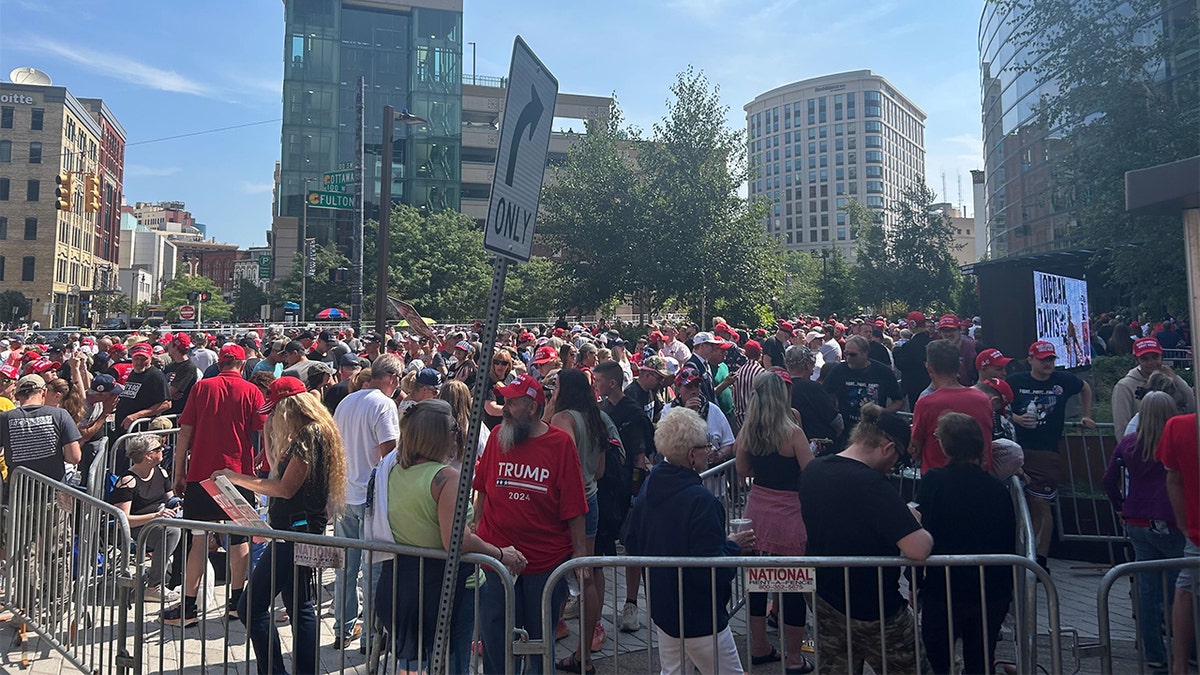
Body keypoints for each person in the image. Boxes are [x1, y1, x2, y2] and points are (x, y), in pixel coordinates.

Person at [368, 399, 526, 672]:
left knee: (411, 665)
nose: (458, 433)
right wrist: (502, 554)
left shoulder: (391, 470)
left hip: (402, 583)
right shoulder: (445, 477)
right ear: (438, 434)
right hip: (445, 589)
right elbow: (456, 540)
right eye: (453, 427)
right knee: (453, 664)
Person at [216, 381, 346, 675]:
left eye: (275, 410)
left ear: (289, 407)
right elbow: (277, 472)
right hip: (297, 528)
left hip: (294, 531)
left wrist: (234, 477)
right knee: (299, 605)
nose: (271, 416)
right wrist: (268, 436)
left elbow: (284, 488)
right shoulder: (312, 432)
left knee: (253, 606)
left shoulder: (310, 436)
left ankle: (275, 670)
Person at [799, 403, 932, 674]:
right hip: (874, 607)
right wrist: (915, 523)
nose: (894, 466)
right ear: (888, 448)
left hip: (825, 597)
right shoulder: (872, 485)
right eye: (898, 458)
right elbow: (918, 548)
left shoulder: (814, 470)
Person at [625, 406, 755, 675]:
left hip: (664, 607)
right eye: (705, 445)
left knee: (673, 671)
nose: (710, 450)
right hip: (699, 614)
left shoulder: (650, 487)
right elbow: (711, 568)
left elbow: (634, 542)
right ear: (691, 454)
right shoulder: (701, 501)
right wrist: (733, 545)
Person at [472, 372, 588, 675]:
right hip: (496, 559)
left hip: (544, 561)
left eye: (513, 402)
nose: (505, 407)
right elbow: (483, 488)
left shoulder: (560, 444)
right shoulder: (499, 438)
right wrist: (476, 527)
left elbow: (574, 505)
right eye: (505, 400)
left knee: (539, 639)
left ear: (534, 407)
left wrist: (578, 553)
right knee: (495, 637)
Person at [163, 345, 265, 627]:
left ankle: (189, 606)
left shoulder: (202, 388)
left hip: (202, 473)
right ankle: (236, 602)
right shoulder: (251, 391)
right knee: (239, 538)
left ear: (220, 364)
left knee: (198, 538)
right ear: (242, 365)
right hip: (237, 474)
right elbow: (264, 429)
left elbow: (185, 431)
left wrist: (179, 472)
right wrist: (261, 460)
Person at [915, 412, 1016, 674]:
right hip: (990, 589)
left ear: (946, 445)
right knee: (981, 659)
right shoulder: (997, 487)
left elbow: (923, 531)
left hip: (944, 588)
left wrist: (915, 582)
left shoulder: (934, 482)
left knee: (937, 660)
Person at [735, 371, 815, 674]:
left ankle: (758, 648)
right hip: (790, 513)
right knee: (793, 583)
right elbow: (810, 472)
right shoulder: (792, 432)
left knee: (757, 583)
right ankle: (794, 659)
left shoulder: (749, 430)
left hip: (757, 511)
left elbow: (741, 469)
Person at [1103, 392, 1185, 670]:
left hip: (1136, 519)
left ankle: (1153, 652)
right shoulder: (1178, 440)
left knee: (1147, 589)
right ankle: (1191, 649)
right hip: (1170, 519)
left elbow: (1108, 479)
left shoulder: (1129, 442)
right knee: (1183, 587)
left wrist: (1119, 506)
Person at [331, 354, 402, 650]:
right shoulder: (384, 404)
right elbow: (391, 453)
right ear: (393, 380)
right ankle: (372, 635)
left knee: (345, 568)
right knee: (373, 568)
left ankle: (342, 629)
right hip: (370, 496)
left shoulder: (346, 402)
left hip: (344, 493)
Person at [1007, 340, 1095, 569]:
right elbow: (998, 404)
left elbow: (1085, 387)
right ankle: (1019, 553)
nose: (1048, 364)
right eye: (1043, 359)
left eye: (1051, 359)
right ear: (1030, 359)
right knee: (1017, 504)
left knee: (1041, 504)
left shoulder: (1063, 380)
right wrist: (1016, 419)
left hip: (1047, 452)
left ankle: (1040, 559)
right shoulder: (1016, 381)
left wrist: (1086, 415)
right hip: (1017, 450)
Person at [548, 369, 610, 668]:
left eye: (555, 386)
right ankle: (583, 652)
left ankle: (545, 639)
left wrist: (549, 412)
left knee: (557, 573)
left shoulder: (563, 419)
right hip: (592, 498)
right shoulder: (595, 418)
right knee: (585, 574)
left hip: (568, 504)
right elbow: (599, 470)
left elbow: (562, 458)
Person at [593, 359, 651, 632]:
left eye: (599, 380)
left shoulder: (632, 412)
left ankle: (630, 603)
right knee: (599, 545)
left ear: (612, 383)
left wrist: (634, 496)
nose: (595, 384)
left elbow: (640, 457)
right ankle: (590, 599)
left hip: (627, 486)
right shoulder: (601, 409)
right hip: (606, 487)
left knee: (631, 544)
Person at [109, 434, 182, 603]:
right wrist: (155, 517)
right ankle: (153, 586)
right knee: (172, 532)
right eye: (158, 448)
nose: (163, 450)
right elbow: (123, 520)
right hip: (137, 527)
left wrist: (176, 506)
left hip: (160, 520)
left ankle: (178, 576)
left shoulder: (161, 472)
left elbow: (170, 499)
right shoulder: (128, 481)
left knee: (188, 526)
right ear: (148, 455)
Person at [911, 339, 995, 473]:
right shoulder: (983, 399)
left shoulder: (925, 403)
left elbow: (915, 448)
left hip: (939, 483)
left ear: (929, 368)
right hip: (979, 479)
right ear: (960, 366)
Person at [1157, 411, 1199, 673]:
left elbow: (1173, 479)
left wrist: (1185, 524)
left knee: (1186, 590)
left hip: (1195, 531)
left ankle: (1179, 665)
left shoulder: (1178, 426)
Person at [823, 335, 904, 447]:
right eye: (846, 353)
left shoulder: (882, 372)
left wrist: (882, 412)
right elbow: (825, 395)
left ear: (865, 353)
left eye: (853, 355)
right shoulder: (838, 371)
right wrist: (834, 415)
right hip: (846, 430)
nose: (848, 358)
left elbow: (898, 401)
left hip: (874, 429)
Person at [0, 375, 83, 483]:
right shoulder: (60, 415)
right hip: (54, 491)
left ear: (16, 396)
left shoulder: (4, 418)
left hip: (17, 493)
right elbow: (74, 457)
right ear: (44, 392)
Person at [1111, 337, 1195, 440]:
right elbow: (1121, 424)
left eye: (1155, 357)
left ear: (1161, 357)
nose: (1151, 362)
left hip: (1173, 442)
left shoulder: (1171, 379)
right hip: (1142, 446)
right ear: (1137, 360)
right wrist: (1127, 450)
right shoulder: (1124, 386)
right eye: (1144, 359)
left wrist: (1175, 378)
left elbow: (1192, 405)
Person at [784, 345, 843, 455]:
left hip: (784, 446)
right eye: (812, 366)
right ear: (806, 366)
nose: (812, 371)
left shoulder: (778, 387)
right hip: (815, 449)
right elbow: (836, 421)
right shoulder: (813, 388)